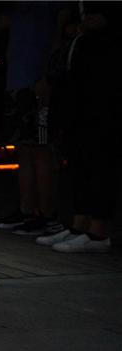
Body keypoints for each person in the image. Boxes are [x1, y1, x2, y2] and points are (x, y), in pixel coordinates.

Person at [0, 1, 68, 236]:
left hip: (39, 85)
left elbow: (60, 37)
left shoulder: (51, 6)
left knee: (41, 148)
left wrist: (48, 77)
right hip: (18, 85)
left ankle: (47, 215)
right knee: (24, 148)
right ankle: (27, 211)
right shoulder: (18, 8)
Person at [36, 2, 120, 253]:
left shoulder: (108, 37)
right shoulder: (81, 33)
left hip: (103, 104)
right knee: (79, 164)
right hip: (79, 103)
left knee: (99, 166)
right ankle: (78, 225)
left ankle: (98, 232)